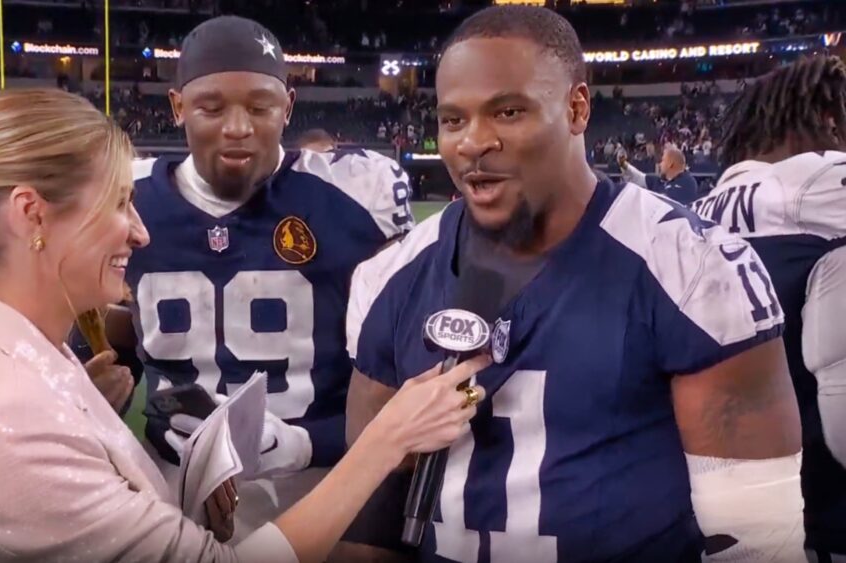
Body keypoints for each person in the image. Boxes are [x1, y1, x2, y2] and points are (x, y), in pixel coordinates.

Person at [0, 87, 478, 563]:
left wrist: (182, 493)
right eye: (117, 203)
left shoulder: (20, 347)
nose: (139, 230)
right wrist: (383, 441)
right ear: (31, 214)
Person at [345, 6, 805, 562]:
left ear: (577, 108)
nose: (473, 142)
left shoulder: (693, 268)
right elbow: (367, 516)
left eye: (508, 111)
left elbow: (757, 540)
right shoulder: (390, 276)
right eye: (452, 120)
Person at [125, 16, 414, 538]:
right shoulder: (124, 198)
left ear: (287, 108)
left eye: (260, 107)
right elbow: (103, 334)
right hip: (171, 489)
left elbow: (400, 370)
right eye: (211, 108)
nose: (238, 127)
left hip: (324, 481)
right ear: (176, 107)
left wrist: (308, 443)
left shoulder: (354, 195)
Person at [690, 54, 846, 561]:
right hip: (828, 503)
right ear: (828, 121)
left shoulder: (697, 212)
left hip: (723, 502)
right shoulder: (821, 183)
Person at [619, 146, 699, 205]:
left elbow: (668, 204)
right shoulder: (660, 181)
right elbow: (638, 177)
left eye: (663, 160)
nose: (660, 164)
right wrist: (623, 164)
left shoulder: (688, 182)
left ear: (670, 164)